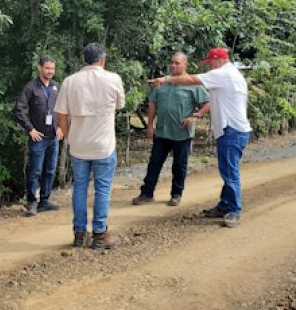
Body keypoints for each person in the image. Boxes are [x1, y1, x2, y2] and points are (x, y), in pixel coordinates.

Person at [148, 47, 252, 228]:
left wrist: (165, 79)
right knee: (228, 170)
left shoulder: (223, 74)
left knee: (230, 172)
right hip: (232, 131)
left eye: (210, 62)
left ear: (218, 60)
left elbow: (191, 79)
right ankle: (224, 205)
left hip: (231, 131)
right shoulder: (230, 74)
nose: (210, 67)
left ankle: (234, 210)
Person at [55, 43, 125, 249]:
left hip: (79, 145)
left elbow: (61, 115)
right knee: (102, 189)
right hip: (104, 145)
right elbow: (120, 104)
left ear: (83, 60)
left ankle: (79, 234)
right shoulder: (113, 79)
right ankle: (100, 235)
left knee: (80, 189)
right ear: (102, 60)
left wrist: (70, 137)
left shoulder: (70, 81)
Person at [133, 53, 211, 206]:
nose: (174, 65)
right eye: (172, 62)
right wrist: (150, 125)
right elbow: (152, 104)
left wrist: (195, 116)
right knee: (154, 162)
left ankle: (176, 194)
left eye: (177, 63)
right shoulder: (162, 82)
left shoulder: (192, 84)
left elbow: (208, 103)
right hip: (162, 131)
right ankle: (146, 193)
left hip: (181, 133)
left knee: (179, 165)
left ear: (185, 65)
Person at [13, 56, 64, 217]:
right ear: (39, 68)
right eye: (47, 68)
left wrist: (62, 127)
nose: (50, 71)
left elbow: (64, 108)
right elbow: (18, 110)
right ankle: (31, 203)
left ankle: (44, 200)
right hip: (38, 138)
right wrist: (30, 129)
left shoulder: (57, 87)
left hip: (53, 137)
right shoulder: (31, 87)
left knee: (50, 170)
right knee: (34, 171)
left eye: (52, 69)